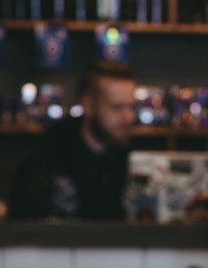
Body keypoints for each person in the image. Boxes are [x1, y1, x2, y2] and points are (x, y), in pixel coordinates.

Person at [10, 61, 137, 220]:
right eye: (117, 107)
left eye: (131, 107)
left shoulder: (135, 158)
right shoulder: (48, 156)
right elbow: (24, 226)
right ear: (89, 105)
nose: (129, 117)